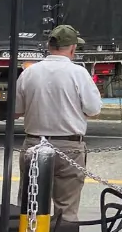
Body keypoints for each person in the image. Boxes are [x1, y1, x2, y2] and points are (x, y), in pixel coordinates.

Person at [15, 25, 101, 221]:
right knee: (66, 209)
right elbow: (94, 110)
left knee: (30, 207)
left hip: (34, 144)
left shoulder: (29, 73)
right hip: (69, 146)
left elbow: (16, 111)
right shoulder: (78, 73)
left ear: (49, 45)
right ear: (72, 48)